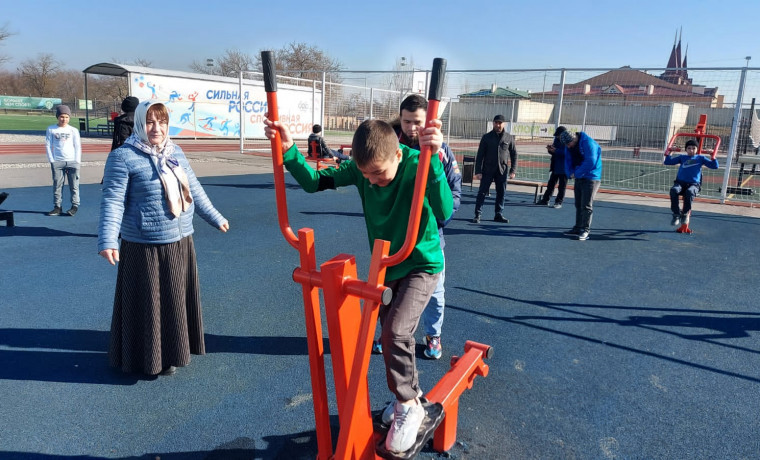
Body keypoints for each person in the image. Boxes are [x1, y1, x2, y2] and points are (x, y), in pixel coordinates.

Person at [264, 116, 452, 455]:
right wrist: (289, 148)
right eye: (365, 176)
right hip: (387, 265)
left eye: (378, 173)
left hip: (422, 263)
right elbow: (313, 183)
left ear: (397, 155)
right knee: (388, 335)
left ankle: (409, 405)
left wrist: (434, 161)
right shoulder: (364, 170)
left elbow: (445, 210)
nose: (372, 182)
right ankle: (407, 398)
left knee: (396, 332)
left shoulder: (417, 164)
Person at [98, 101, 229, 377]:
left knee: (174, 301)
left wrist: (215, 216)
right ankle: (145, 358)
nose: (157, 128)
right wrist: (108, 239)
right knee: (150, 304)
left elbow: (194, 188)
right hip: (145, 245)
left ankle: (173, 353)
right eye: (150, 122)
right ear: (139, 124)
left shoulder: (175, 151)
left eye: (162, 122)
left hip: (180, 241)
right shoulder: (123, 157)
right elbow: (112, 201)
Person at [379, 94, 461, 360]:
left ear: (429, 122)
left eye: (417, 122)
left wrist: (429, 222)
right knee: (389, 292)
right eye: (406, 121)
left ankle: (433, 335)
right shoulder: (390, 145)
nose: (412, 128)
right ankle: (391, 334)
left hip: (429, 240)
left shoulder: (442, 152)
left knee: (435, 294)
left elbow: (454, 197)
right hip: (394, 239)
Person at [471, 114, 517, 223]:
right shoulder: (486, 137)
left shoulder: (509, 137)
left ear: (504, 124)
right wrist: (478, 171)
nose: (498, 125)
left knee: (501, 193)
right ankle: (478, 214)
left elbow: (514, 154)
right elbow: (480, 155)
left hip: (502, 171)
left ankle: (498, 214)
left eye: (500, 123)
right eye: (496, 122)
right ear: (493, 123)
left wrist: (513, 170)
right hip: (487, 170)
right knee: (482, 192)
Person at [664, 138, 718, 226]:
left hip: (694, 184)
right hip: (680, 183)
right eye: (689, 148)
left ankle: (685, 213)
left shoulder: (700, 158)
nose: (691, 150)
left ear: (697, 149)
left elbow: (714, 166)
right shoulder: (682, 157)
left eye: (694, 148)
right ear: (686, 149)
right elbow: (668, 162)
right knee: (673, 190)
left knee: (689, 192)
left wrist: (712, 155)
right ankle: (676, 214)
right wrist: (670, 152)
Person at [561, 130, 602, 240]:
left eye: (569, 144)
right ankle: (578, 227)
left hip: (591, 177)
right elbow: (567, 160)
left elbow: (591, 161)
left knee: (586, 205)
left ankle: (585, 230)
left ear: (575, 139)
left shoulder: (588, 143)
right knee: (578, 204)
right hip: (579, 176)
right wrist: (569, 173)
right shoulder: (568, 145)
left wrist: (577, 173)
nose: (568, 147)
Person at [45, 105, 81, 216]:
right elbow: (48, 145)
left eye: (66, 117)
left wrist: (77, 161)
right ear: (57, 117)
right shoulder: (51, 129)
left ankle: (74, 206)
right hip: (57, 162)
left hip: (72, 162)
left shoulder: (73, 130)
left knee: (74, 185)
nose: (64, 119)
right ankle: (57, 207)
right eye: (61, 116)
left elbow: (77, 146)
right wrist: (52, 160)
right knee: (57, 185)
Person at [538, 126, 569, 208]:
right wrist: (550, 149)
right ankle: (545, 200)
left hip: (564, 168)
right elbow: (554, 151)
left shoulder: (568, 142)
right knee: (550, 184)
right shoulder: (556, 140)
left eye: (558, 135)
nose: (557, 137)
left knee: (562, 186)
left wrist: (555, 150)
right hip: (555, 166)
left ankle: (558, 202)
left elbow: (566, 153)